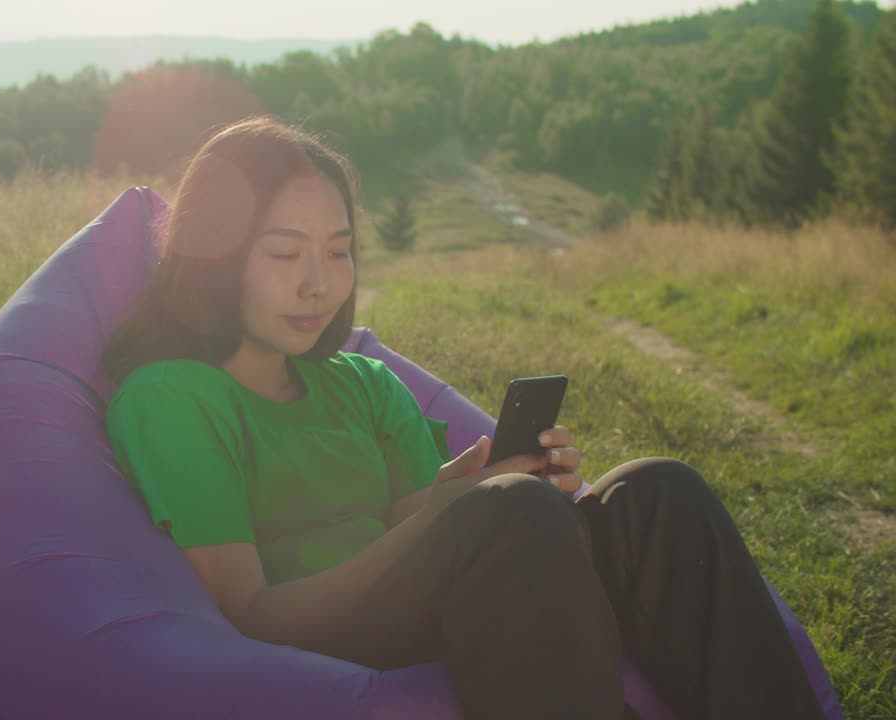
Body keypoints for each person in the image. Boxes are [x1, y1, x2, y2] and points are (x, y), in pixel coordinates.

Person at [101, 115, 825, 720]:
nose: (317, 282)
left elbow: (417, 521)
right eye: (285, 252)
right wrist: (480, 516)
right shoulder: (174, 398)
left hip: (430, 598)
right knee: (510, 513)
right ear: (217, 255)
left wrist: (483, 491)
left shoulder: (362, 384)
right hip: (307, 633)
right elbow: (248, 609)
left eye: (339, 251)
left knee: (655, 493)